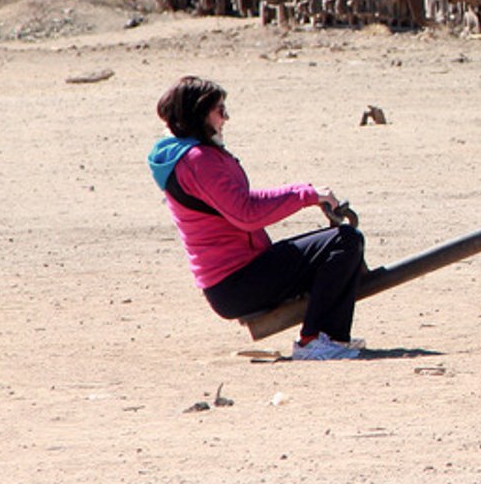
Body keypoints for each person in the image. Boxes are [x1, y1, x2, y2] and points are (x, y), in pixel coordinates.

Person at [148, 76, 368, 361]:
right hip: (236, 283)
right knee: (343, 242)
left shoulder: (193, 156)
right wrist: (307, 195)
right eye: (219, 110)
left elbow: (240, 205)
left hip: (237, 277)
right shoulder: (197, 160)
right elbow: (246, 213)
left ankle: (327, 338)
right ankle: (317, 341)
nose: (226, 117)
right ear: (199, 114)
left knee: (339, 244)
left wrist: (307, 194)